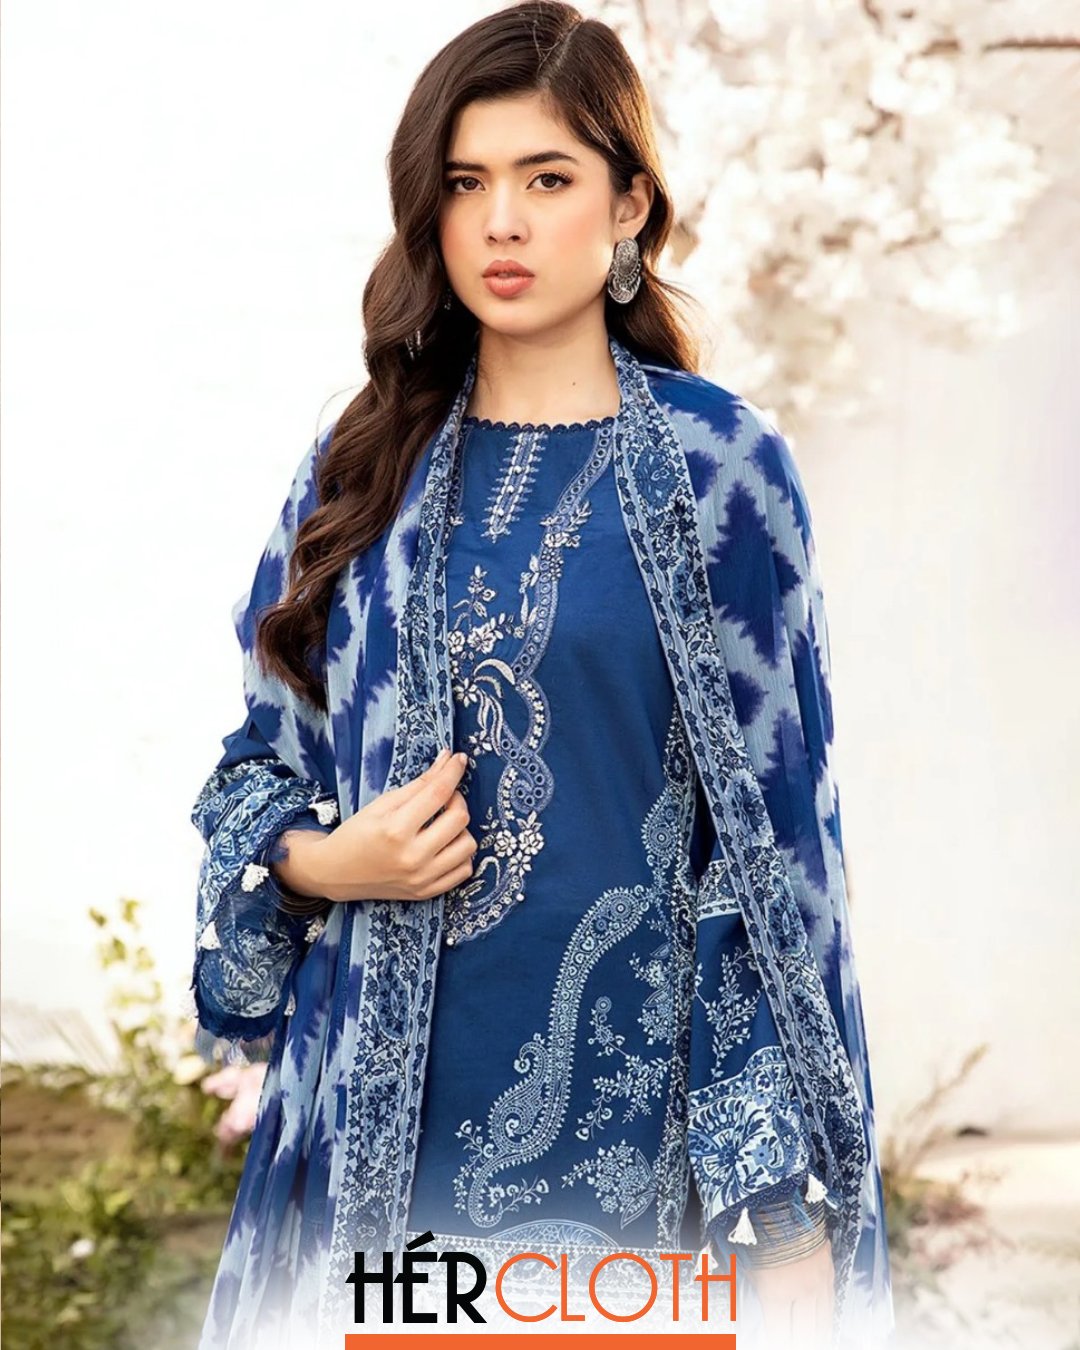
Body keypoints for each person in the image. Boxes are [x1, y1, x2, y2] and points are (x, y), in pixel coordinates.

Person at [188, 4, 893, 1347]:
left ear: (628, 206)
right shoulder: (359, 467)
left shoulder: (722, 471)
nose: (501, 223)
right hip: (369, 1140)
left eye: (547, 179)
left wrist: (778, 1210)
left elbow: (765, 854)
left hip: (636, 1158)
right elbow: (257, 767)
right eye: (466, 183)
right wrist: (327, 863)